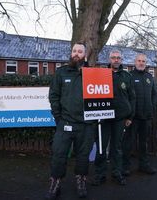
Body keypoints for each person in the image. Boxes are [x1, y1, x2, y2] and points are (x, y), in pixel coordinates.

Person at [46, 42, 97, 199]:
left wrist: (97, 117)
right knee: (59, 154)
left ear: (85, 55)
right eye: (74, 51)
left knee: (83, 156)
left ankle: (81, 181)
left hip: (87, 125)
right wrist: (58, 117)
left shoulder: (94, 74)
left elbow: (103, 96)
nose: (76, 54)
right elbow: (54, 96)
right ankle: (55, 183)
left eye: (80, 51)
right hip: (66, 123)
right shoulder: (62, 73)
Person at [92, 49, 136, 186]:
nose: (116, 60)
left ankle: (117, 173)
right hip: (103, 118)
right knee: (101, 147)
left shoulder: (127, 76)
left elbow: (132, 98)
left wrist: (130, 116)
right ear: (109, 59)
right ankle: (100, 174)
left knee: (117, 147)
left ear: (121, 60)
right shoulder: (101, 74)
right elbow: (92, 91)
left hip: (120, 118)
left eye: (118, 58)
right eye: (113, 58)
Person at [122, 53, 157, 176]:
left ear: (146, 63)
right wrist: (128, 114)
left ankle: (144, 165)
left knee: (144, 142)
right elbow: (125, 96)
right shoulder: (129, 76)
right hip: (132, 117)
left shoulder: (149, 77)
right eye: (139, 61)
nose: (141, 63)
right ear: (135, 62)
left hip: (146, 116)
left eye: (143, 61)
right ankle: (125, 166)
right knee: (128, 142)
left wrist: (152, 108)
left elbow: (154, 94)